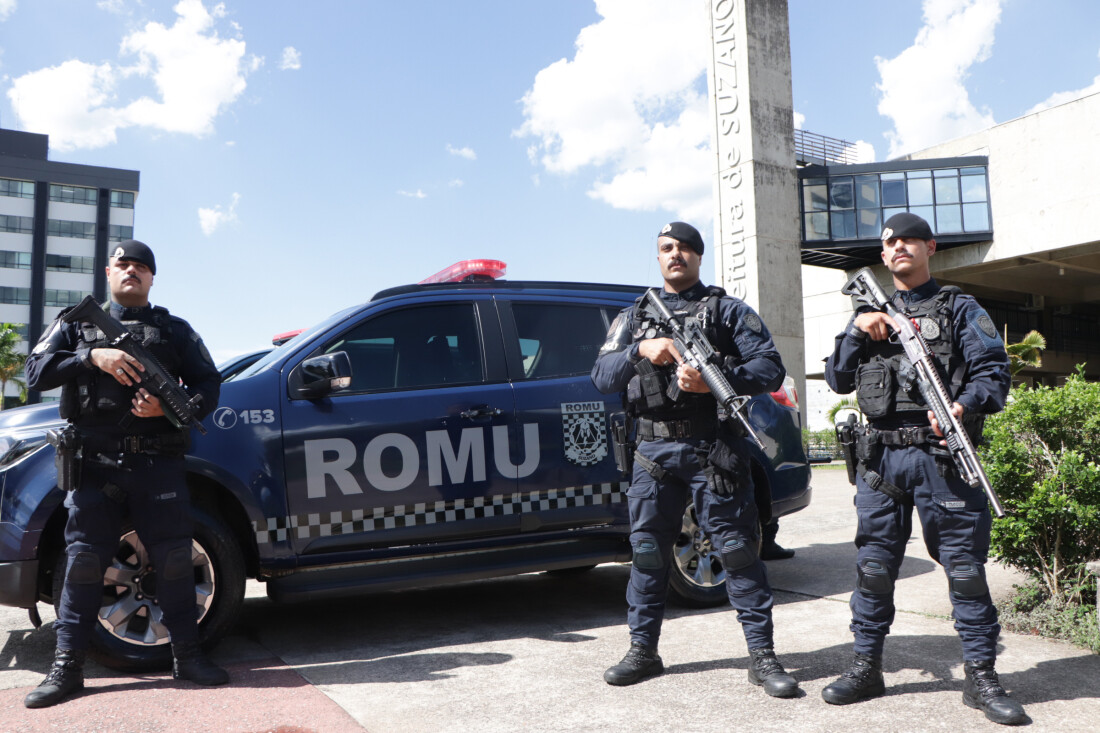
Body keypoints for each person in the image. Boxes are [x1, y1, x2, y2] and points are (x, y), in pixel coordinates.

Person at [822, 213, 1024, 725]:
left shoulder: (958, 306)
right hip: (881, 461)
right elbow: (839, 379)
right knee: (873, 570)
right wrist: (854, 329)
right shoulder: (866, 316)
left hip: (942, 458)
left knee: (965, 571)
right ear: (883, 255)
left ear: (930, 247)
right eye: (890, 242)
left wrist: (963, 405)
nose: (899, 247)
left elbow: (993, 374)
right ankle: (866, 667)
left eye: (910, 238)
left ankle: (981, 676)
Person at [591, 222, 798, 698]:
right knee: (646, 554)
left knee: (739, 552)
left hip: (713, 449)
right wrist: (642, 349)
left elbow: (769, 368)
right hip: (652, 451)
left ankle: (762, 657)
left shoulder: (727, 311)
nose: (675, 254)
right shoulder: (633, 317)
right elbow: (602, 375)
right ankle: (643, 650)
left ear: (699, 256)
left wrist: (714, 377)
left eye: (684, 247)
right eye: (666, 248)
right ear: (658, 257)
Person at [23, 240, 226, 708]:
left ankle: (188, 658)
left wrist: (167, 409)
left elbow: (209, 385)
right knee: (84, 565)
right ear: (108, 273)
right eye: (123, 263)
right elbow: (35, 370)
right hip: (93, 466)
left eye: (141, 265)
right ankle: (67, 668)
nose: (132, 270)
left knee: (175, 561)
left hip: (157, 464)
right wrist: (92, 358)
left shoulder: (174, 330)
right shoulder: (75, 323)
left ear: (152, 278)